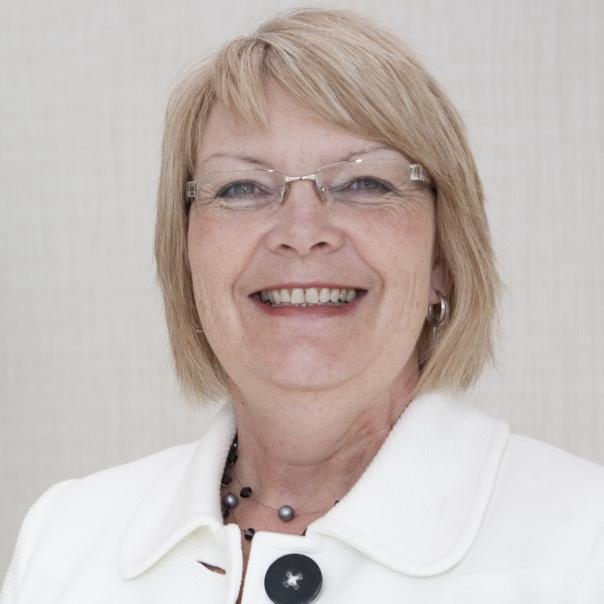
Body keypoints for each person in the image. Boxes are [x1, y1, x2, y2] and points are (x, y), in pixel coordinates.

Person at [2, 8, 603, 604]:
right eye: (242, 188)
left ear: (442, 258)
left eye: (364, 183)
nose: (302, 231)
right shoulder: (66, 539)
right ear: (186, 256)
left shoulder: (584, 543)